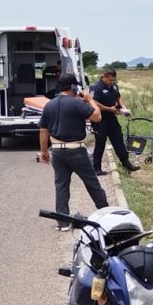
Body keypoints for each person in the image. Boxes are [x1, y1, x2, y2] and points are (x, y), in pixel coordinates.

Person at [39, 73, 109, 230]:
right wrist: (90, 99)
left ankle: (63, 222)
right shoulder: (76, 103)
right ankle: (106, 214)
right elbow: (97, 117)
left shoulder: (49, 105)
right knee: (92, 183)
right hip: (76, 150)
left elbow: (44, 131)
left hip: (56, 151)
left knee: (61, 186)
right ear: (73, 87)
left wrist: (44, 151)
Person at [91, 69, 140, 175]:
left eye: (113, 80)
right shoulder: (96, 87)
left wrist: (124, 108)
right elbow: (94, 103)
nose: (112, 82)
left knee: (118, 141)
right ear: (105, 76)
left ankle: (126, 164)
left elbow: (118, 97)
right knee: (100, 144)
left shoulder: (114, 86)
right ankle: (96, 168)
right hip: (100, 119)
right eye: (110, 80)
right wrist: (109, 109)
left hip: (112, 118)